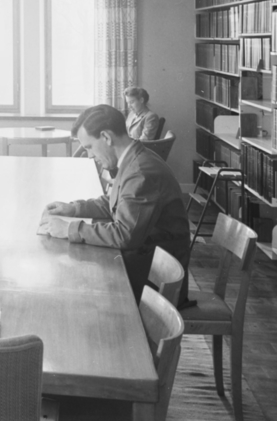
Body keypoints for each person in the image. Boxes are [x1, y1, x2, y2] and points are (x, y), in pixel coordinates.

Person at [40, 103, 191, 305]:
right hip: (146, 261)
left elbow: (124, 235)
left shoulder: (141, 171)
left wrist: (69, 229)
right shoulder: (134, 158)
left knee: (68, 285)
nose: (90, 155)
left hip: (156, 281)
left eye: (89, 147)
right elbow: (117, 202)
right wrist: (74, 208)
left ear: (106, 137)